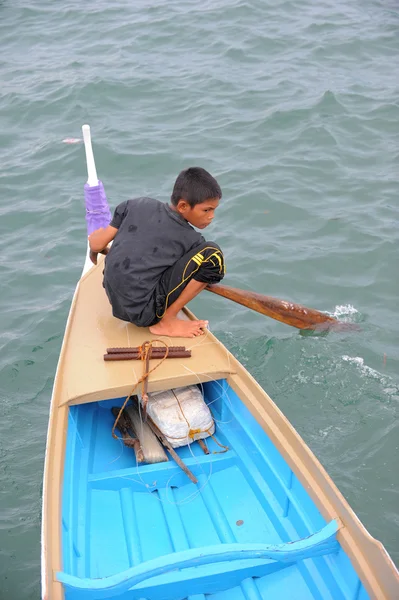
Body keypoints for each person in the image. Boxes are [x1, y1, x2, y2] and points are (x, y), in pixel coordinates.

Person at [88, 167, 225, 338]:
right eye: (207, 210)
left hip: (114, 299)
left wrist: (94, 245)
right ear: (183, 206)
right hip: (144, 313)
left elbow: (97, 244)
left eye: (214, 210)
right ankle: (167, 321)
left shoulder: (133, 205)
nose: (211, 216)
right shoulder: (193, 240)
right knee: (212, 255)